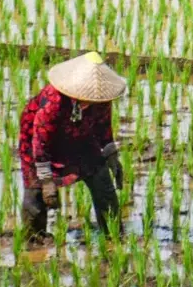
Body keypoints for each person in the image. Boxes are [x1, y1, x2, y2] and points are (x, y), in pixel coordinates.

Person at [18, 51, 127, 236]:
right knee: (35, 190)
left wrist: (112, 156)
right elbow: (40, 141)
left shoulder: (101, 98)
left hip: (80, 138)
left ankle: (112, 233)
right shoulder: (55, 101)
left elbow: (103, 128)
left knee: (101, 177)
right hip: (40, 144)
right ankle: (33, 239)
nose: (94, 101)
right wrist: (46, 180)